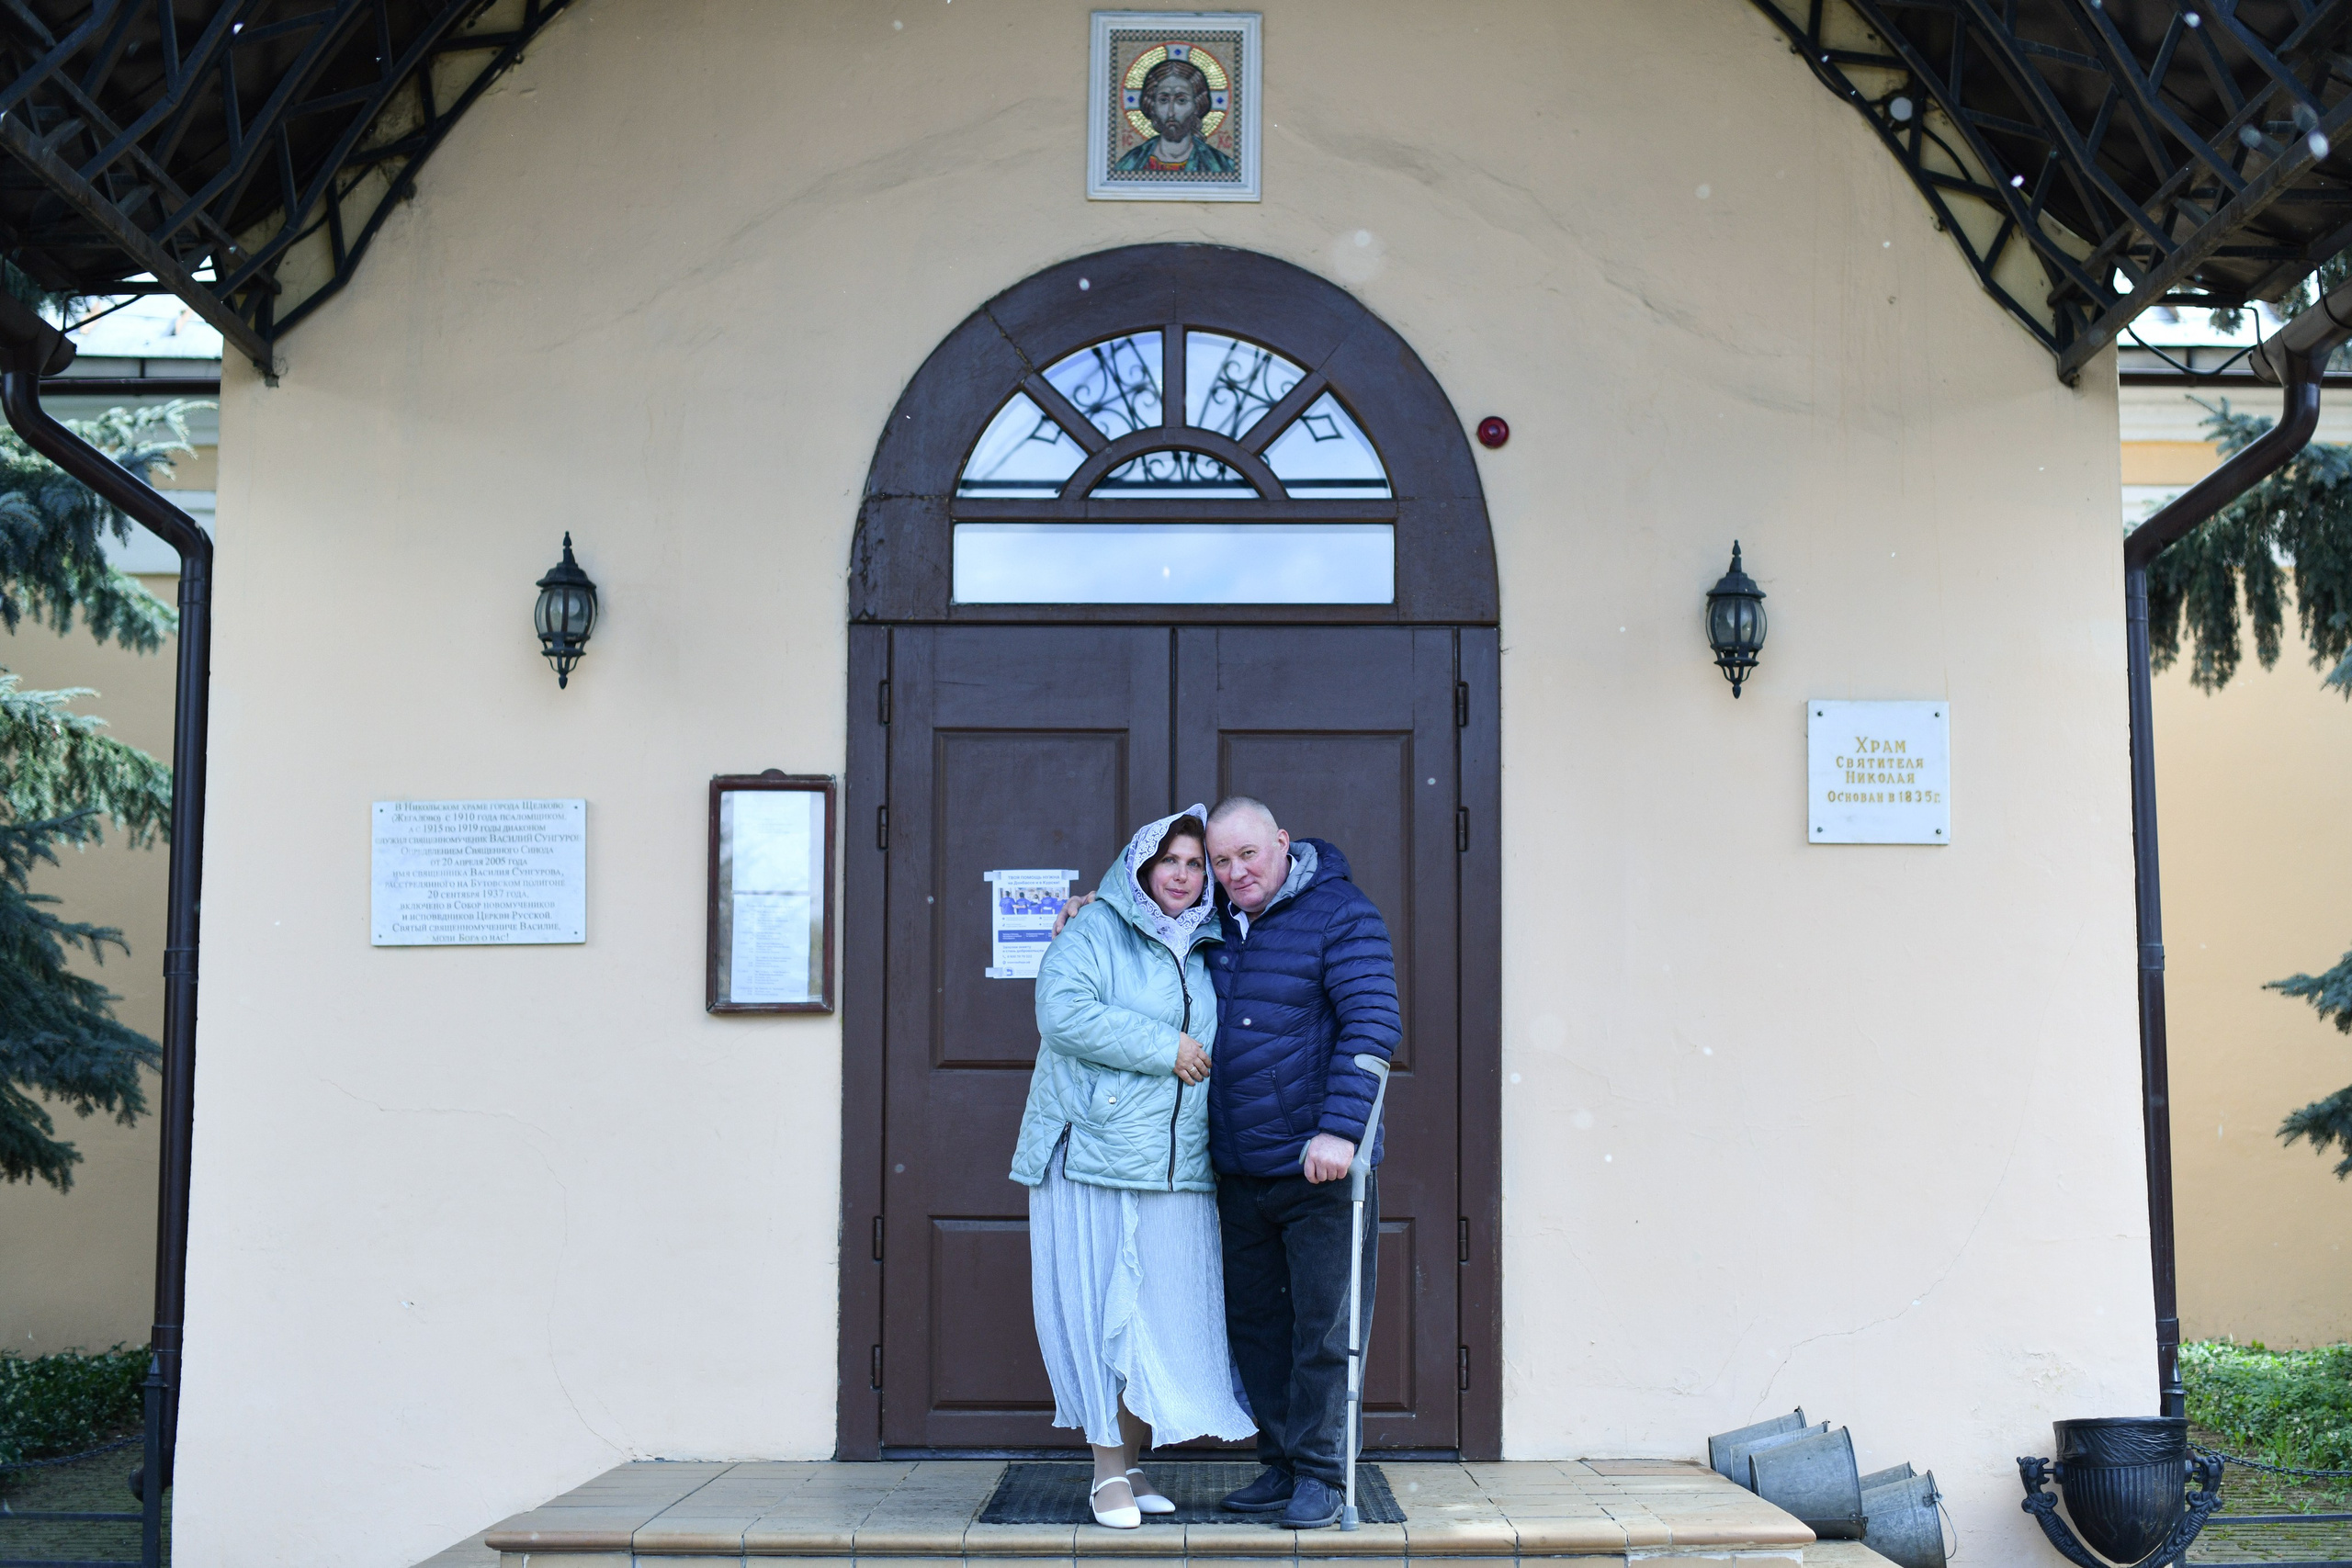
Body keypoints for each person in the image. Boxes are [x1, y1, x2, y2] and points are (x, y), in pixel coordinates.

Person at [1055, 795, 1399, 1529]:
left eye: (1247, 854)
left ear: (1282, 842)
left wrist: (1340, 1131)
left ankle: (1323, 1476)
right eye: (1220, 860)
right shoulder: (1217, 926)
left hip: (1318, 1168)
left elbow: (1372, 1023)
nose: (1233, 870)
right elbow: (1147, 924)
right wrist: (1093, 904)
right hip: (1238, 1171)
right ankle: (1279, 1466)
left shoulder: (1342, 913)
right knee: (1259, 1330)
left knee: (1324, 1329)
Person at [1009, 806, 1255, 1529]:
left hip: (1177, 1165)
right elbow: (1061, 1013)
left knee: (1156, 1315)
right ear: (1141, 866)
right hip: (1094, 1152)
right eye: (1169, 860)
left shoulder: (1214, 941)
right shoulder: (1094, 928)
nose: (1182, 875)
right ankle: (1105, 1472)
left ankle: (1136, 1461)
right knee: (1103, 1313)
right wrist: (1164, 1046)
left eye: (1193, 863)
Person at [1112, 55, 1238, 176]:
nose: (1171, 112)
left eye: (1181, 100)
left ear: (1197, 105)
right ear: (1152, 106)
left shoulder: (1220, 165)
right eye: (1163, 100)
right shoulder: (1131, 163)